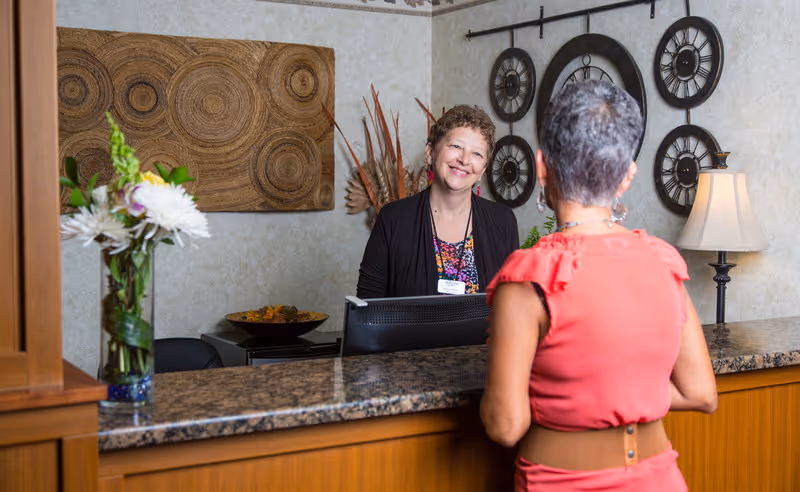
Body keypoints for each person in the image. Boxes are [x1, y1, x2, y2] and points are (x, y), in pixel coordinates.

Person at [480, 80, 717, 491]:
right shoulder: (664, 262)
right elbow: (701, 393)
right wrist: (622, 392)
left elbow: (506, 425)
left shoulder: (529, 276)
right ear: (627, 177)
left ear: (541, 167)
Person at [356, 104, 519, 299]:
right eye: (456, 146)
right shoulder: (393, 219)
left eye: (477, 154)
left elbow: (512, 303)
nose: (465, 160)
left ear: (482, 170)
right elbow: (368, 308)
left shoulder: (503, 221)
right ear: (430, 152)